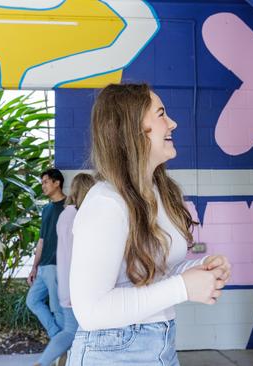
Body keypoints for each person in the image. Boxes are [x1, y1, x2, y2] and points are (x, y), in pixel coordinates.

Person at [68, 83, 232, 365]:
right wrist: (182, 287)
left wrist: (197, 269)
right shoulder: (106, 203)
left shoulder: (159, 192)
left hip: (160, 344)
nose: (172, 123)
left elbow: (152, 275)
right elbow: (91, 311)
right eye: (161, 114)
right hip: (112, 352)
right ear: (132, 128)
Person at [34, 173, 96, 366]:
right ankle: (45, 362)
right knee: (72, 331)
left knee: (72, 329)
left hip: (65, 281)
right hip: (76, 283)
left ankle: (62, 360)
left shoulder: (65, 214)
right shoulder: (80, 216)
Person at [27, 169, 66, 343]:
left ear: (57, 183)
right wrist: (34, 267)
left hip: (57, 266)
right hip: (43, 266)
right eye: (42, 182)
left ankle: (61, 348)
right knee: (33, 301)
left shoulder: (70, 206)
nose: (43, 186)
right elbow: (41, 240)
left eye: (45, 182)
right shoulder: (46, 209)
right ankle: (58, 337)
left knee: (57, 308)